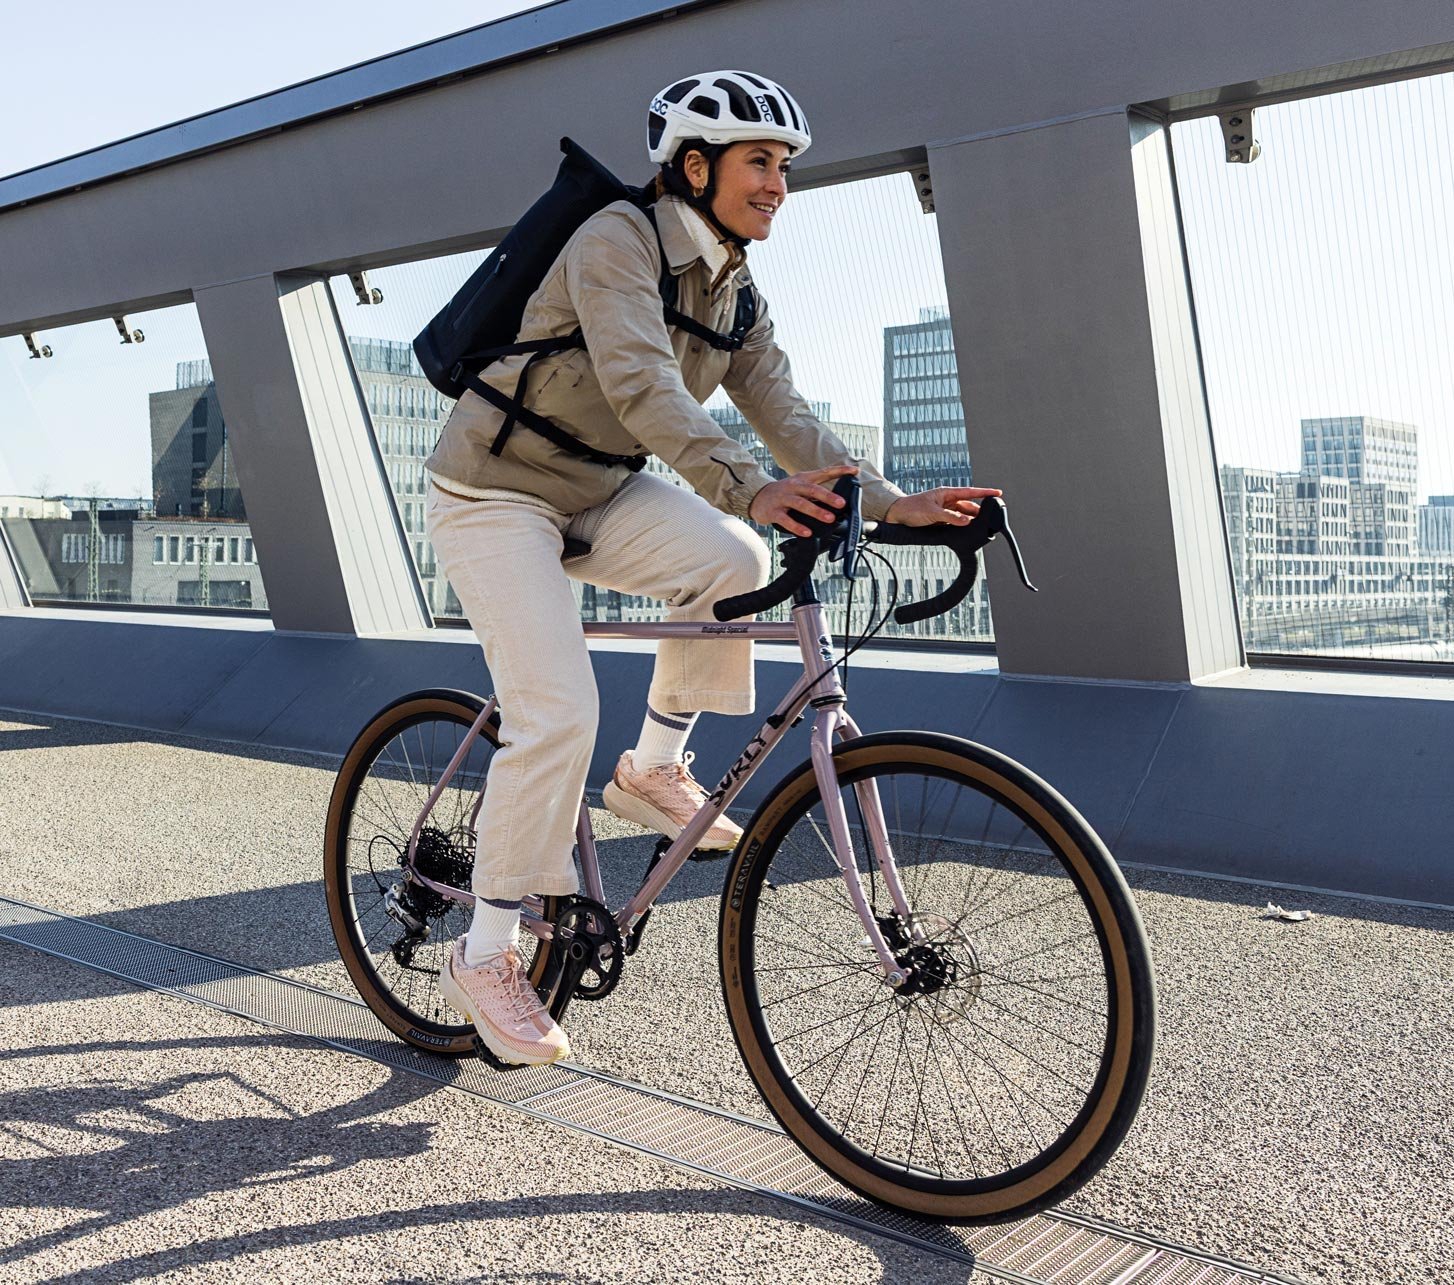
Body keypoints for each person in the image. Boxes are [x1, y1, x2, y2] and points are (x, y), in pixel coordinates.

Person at [424, 70, 1001, 1065]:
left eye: (783, 166)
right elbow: (644, 389)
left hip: (594, 490)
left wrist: (892, 501)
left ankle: (650, 766)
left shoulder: (731, 287)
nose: (778, 183)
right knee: (555, 710)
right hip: (493, 491)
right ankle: (482, 951)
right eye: (759, 163)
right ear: (693, 166)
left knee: (734, 560)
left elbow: (791, 420)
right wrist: (749, 485)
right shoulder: (615, 238)